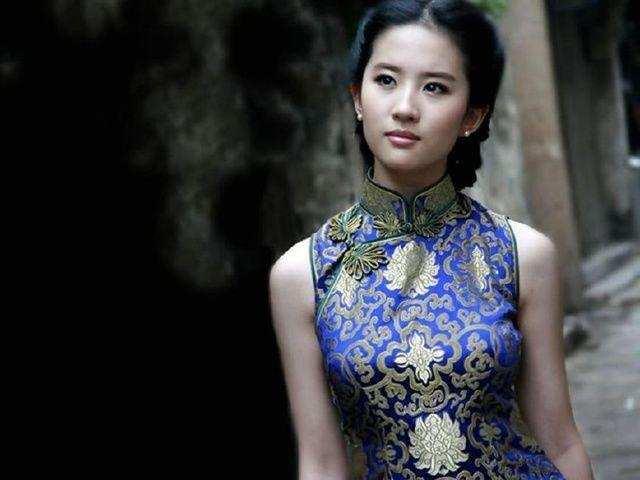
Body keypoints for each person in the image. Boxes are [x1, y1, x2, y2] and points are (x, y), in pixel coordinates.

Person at [269, 1, 595, 478]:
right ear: (358, 98)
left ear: (472, 117)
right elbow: (320, 463)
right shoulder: (303, 274)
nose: (405, 108)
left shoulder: (522, 255)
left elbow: (561, 442)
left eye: (435, 87)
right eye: (386, 80)